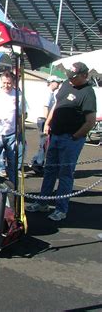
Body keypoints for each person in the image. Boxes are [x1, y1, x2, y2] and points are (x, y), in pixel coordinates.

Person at [26, 62, 96, 221]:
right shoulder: (66, 84)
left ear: (84, 76)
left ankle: (61, 208)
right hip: (55, 135)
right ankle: (42, 202)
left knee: (65, 174)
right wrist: (49, 122)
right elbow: (57, 104)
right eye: (69, 77)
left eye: (74, 77)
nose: (70, 80)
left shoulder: (88, 92)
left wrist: (75, 136)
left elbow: (90, 121)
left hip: (70, 138)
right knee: (49, 170)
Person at [29, 75, 63, 174]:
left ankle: (37, 161)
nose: (58, 84)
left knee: (44, 143)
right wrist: (48, 122)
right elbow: (46, 107)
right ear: (51, 82)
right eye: (57, 82)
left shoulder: (51, 93)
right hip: (44, 120)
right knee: (44, 143)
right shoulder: (48, 93)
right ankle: (38, 163)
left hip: (44, 120)